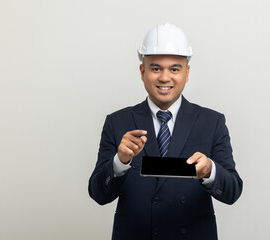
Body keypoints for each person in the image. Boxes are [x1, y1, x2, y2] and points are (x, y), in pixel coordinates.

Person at [88, 23, 243, 240]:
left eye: (174, 69)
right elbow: (98, 194)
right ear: (142, 72)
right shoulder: (117, 122)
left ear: (186, 73)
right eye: (155, 68)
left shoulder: (212, 122)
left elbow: (233, 191)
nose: (164, 77)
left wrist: (210, 171)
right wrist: (119, 162)